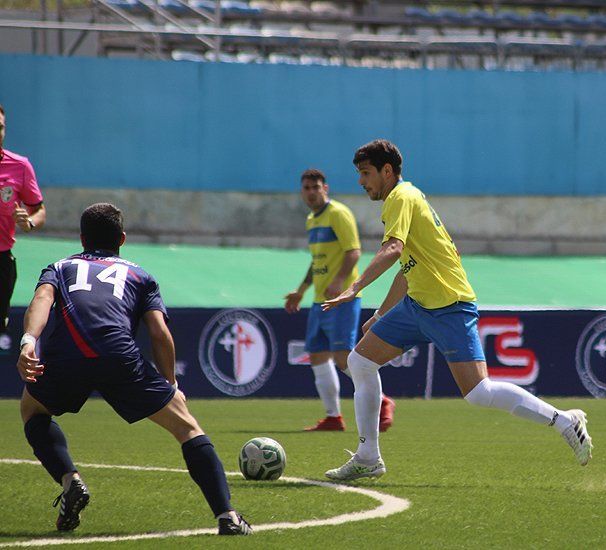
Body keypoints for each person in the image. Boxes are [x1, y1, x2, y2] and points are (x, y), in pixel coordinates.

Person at [321, 139, 592, 481]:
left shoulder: (400, 198)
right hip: (418, 305)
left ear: (387, 171)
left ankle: (564, 421)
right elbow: (408, 267)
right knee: (360, 361)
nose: (361, 182)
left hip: (449, 306)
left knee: (480, 393)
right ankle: (368, 456)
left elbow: (393, 249)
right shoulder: (405, 199)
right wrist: (379, 315)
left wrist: (355, 288)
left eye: (366, 173)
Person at [16, 203, 251, 535]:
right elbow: (159, 333)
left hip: (67, 355)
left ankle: (70, 479)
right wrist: (170, 385)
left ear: (82, 239)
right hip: (118, 356)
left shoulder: (60, 266)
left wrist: (29, 341)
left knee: (32, 409)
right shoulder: (140, 275)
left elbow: (42, 298)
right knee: (187, 429)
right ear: (122, 239)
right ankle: (227, 516)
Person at [284, 169, 395, 432]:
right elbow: (317, 262)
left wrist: (340, 281)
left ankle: (382, 402)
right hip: (319, 300)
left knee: (344, 357)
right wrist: (301, 290)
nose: (311, 192)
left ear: (326, 188)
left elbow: (354, 252)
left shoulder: (339, 214)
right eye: (307, 188)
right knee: (318, 356)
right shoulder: (312, 220)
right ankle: (333, 416)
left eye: (315, 187)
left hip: (341, 299)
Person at [0, 103, 47, 333]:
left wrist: (28, 222)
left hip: (2, 260)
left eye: (0, 127)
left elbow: (39, 211)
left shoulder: (19, 166)